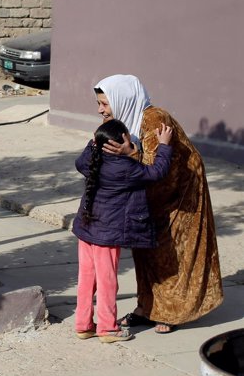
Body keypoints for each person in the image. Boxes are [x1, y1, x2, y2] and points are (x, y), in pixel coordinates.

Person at [95, 74, 224, 334]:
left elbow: (158, 168)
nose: (100, 110)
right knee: (145, 250)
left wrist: (130, 154)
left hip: (181, 195)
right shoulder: (129, 121)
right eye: (99, 104)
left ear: (122, 99)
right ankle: (146, 307)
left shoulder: (154, 119)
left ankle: (172, 312)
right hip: (152, 194)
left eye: (105, 104)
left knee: (170, 253)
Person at [72, 119, 173, 343]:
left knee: (87, 278)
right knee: (107, 281)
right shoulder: (126, 167)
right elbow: (156, 172)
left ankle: (83, 325)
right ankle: (107, 328)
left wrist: (93, 143)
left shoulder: (90, 159)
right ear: (123, 141)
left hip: (86, 229)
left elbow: (80, 162)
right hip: (107, 235)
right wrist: (164, 145)